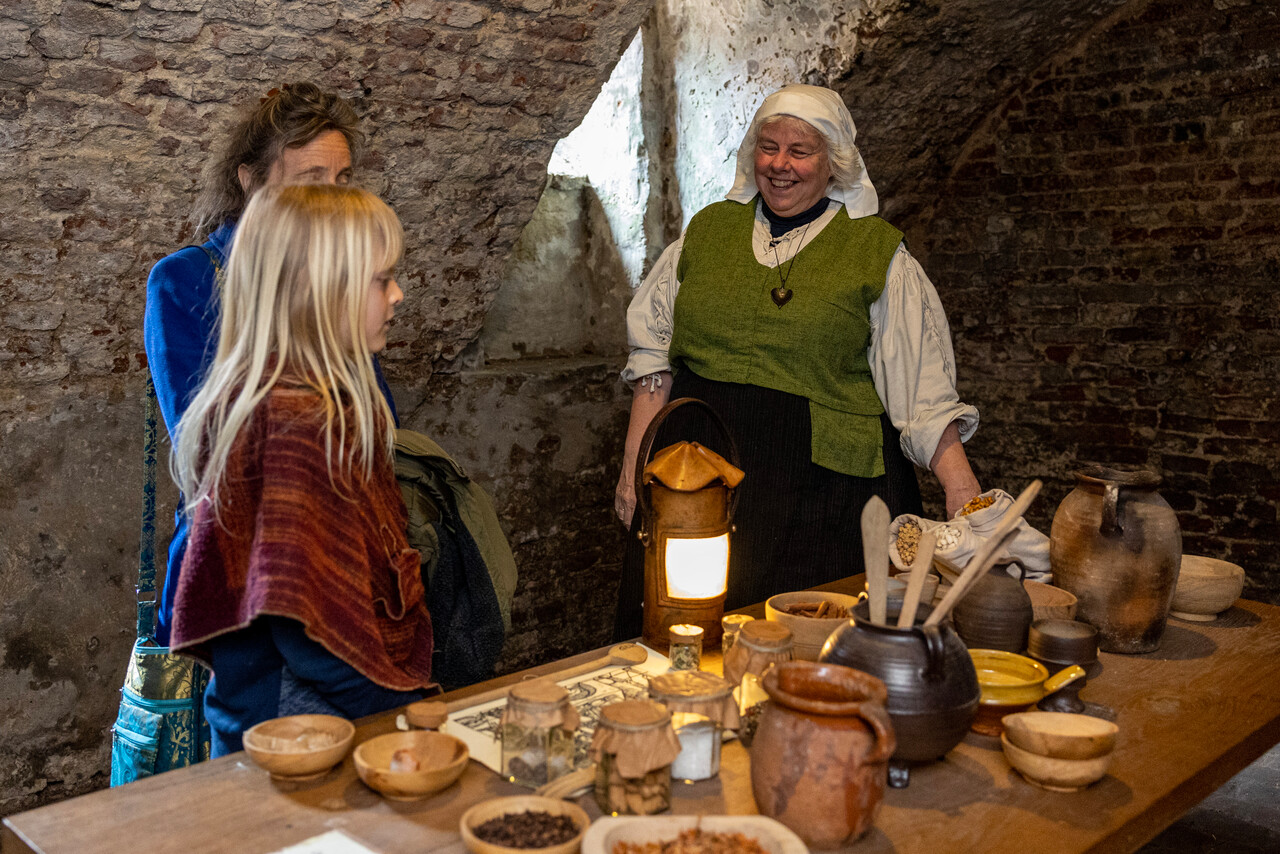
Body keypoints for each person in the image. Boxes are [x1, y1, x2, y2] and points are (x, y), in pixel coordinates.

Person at [613, 84, 981, 637]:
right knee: (685, 628)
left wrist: (962, 491)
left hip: (821, 489)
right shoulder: (706, 233)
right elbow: (653, 362)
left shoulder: (876, 253)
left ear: (834, 163)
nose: (779, 165)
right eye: (768, 147)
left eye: (800, 151)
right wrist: (631, 471)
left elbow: (921, 389)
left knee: (806, 638)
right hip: (699, 469)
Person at [168, 184, 433, 756]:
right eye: (381, 279)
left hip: (275, 719)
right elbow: (308, 627)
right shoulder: (297, 423)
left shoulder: (284, 401)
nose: (398, 295)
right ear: (321, 292)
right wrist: (400, 715)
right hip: (302, 732)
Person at [144, 82, 398, 646]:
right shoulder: (186, 279)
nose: (333, 200)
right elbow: (210, 451)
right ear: (251, 181)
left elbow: (378, 426)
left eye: (343, 181)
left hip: (337, 563)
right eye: (311, 181)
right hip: (242, 574)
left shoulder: (336, 278)